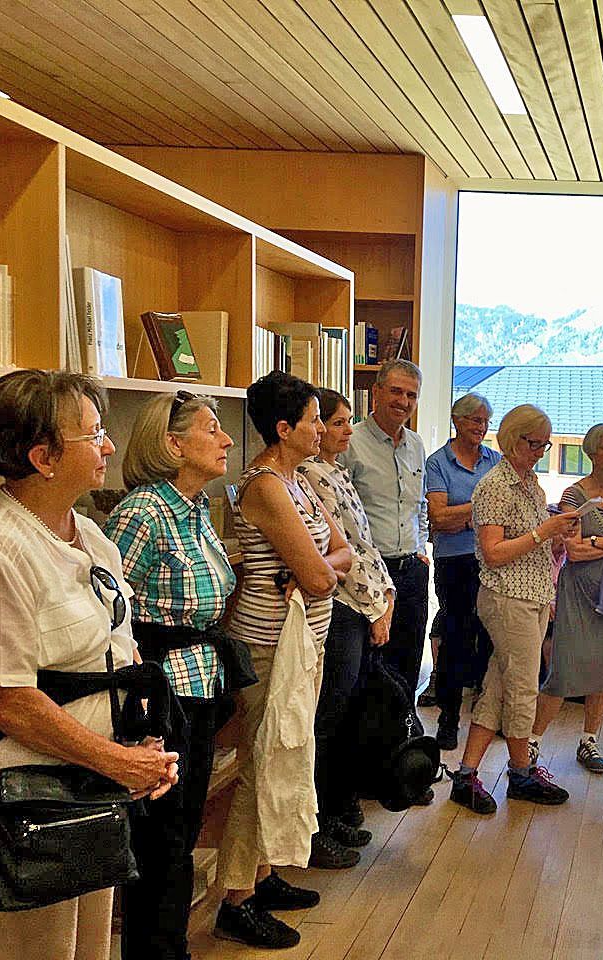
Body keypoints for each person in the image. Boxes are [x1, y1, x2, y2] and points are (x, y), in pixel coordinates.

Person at [0, 370, 178, 960]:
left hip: (94, 787)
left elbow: (118, 656)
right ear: (44, 457)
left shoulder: (90, 535)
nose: (110, 445)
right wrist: (119, 762)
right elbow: (5, 699)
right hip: (30, 797)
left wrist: (144, 750)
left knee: (89, 949)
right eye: (94, 434)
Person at [215, 371, 351, 950]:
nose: (322, 429)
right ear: (283, 428)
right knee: (260, 767)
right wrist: (315, 572)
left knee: (288, 756)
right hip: (268, 644)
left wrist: (315, 571)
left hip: (305, 641)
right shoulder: (266, 485)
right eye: (315, 419)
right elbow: (322, 576)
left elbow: (341, 552)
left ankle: (264, 874)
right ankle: (235, 899)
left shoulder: (301, 482)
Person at [104, 390, 237, 960]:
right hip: (161, 693)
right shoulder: (142, 512)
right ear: (173, 443)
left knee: (181, 829)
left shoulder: (197, 507)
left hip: (201, 683)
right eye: (212, 429)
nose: (227, 438)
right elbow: (109, 610)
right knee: (158, 835)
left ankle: (171, 946)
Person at [448, 404, 579, 815]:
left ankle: (467, 775)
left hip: (533, 594)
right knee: (523, 688)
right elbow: (493, 552)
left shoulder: (530, 484)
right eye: (533, 442)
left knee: (501, 685)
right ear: (510, 438)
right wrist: (545, 531)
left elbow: (533, 544)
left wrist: (558, 535)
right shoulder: (495, 486)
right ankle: (520, 772)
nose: (539, 451)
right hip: (508, 598)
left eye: (545, 444)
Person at [299, 389, 400, 852]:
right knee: (328, 717)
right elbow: (341, 560)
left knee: (346, 715)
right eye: (333, 422)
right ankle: (315, 823)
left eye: (340, 422)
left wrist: (387, 596)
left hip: (365, 603)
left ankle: (333, 808)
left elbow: (364, 544)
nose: (340, 431)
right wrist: (374, 604)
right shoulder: (309, 477)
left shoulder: (336, 472)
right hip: (342, 608)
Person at [530, 423, 603, 774]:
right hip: (579, 594)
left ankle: (589, 741)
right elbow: (575, 553)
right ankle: (533, 743)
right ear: (592, 451)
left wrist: (597, 542)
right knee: (565, 669)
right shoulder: (573, 495)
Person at [340, 358, 430, 698]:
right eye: (395, 391)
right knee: (368, 667)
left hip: (411, 571)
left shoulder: (417, 445)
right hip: (369, 574)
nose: (403, 402)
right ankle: (369, 748)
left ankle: (404, 743)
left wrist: (421, 547)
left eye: (411, 395)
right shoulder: (351, 442)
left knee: (407, 664)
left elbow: (420, 505)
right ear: (376, 392)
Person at [424, 392, 502, 750]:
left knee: (490, 640)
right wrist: (483, 510)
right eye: (474, 420)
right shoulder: (437, 462)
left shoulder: (496, 460)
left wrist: (465, 515)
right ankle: (448, 719)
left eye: (485, 421)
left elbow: (507, 514)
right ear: (457, 421)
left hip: (492, 559)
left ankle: (488, 717)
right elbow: (438, 519)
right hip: (453, 562)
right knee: (455, 639)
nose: (481, 427)